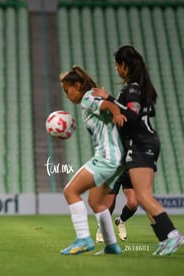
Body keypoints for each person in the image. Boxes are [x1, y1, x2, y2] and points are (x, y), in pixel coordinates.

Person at [93, 45, 183, 256]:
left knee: (142, 196)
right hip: (145, 143)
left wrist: (110, 100)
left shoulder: (133, 89)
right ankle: (164, 240)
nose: (115, 68)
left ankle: (172, 235)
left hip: (141, 144)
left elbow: (132, 117)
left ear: (124, 65)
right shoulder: (140, 87)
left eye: (117, 64)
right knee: (143, 197)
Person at [59, 65, 127, 255]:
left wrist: (116, 113)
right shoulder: (90, 96)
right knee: (96, 202)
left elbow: (107, 105)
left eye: (67, 90)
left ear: (78, 85)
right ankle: (111, 245)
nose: (66, 95)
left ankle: (83, 239)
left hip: (106, 157)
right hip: (117, 160)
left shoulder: (88, 97)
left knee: (70, 191)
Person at [96, 171, 138, 242]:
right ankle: (101, 228)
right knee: (109, 204)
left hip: (128, 169)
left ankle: (120, 221)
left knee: (133, 204)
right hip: (114, 169)